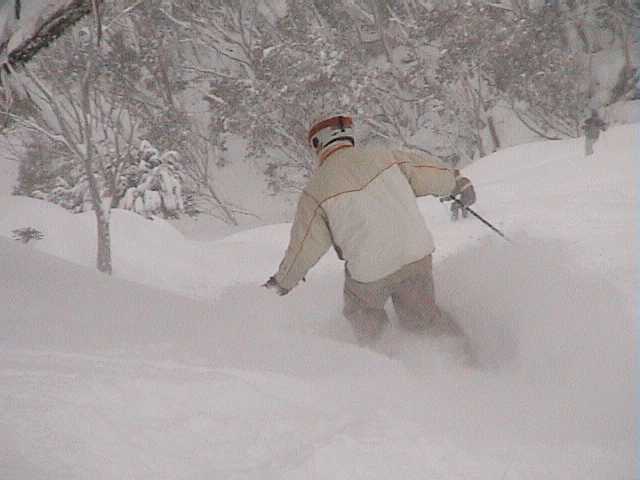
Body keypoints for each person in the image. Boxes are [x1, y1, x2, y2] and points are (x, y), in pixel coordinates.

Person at [264, 115, 476, 345]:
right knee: (424, 320)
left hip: (369, 272)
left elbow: (305, 247)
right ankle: (464, 361)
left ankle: (382, 364)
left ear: (318, 144)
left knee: (364, 320)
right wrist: (457, 183)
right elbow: (430, 174)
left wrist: (282, 282)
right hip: (415, 254)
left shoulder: (316, 190)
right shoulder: (385, 157)